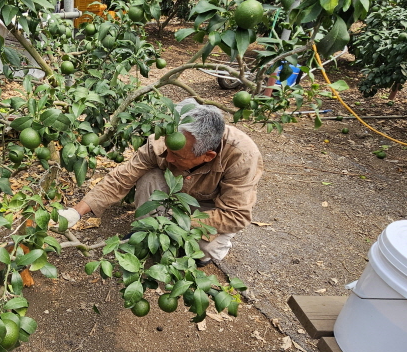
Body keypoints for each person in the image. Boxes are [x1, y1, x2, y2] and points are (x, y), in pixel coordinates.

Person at [59, 98, 263, 266]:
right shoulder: (163, 142)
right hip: (175, 191)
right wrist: (76, 212)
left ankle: (193, 248)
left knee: (205, 250)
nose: (169, 157)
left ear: (207, 156)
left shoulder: (242, 157)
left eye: (177, 155)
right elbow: (122, 177)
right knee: (150, 177)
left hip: (209, 207)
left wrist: (180, 222)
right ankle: (146, 231)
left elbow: (236, 216)